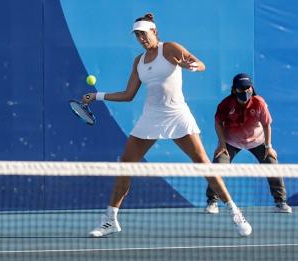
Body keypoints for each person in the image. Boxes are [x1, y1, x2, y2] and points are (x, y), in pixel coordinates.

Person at [82, 13, 252, 238]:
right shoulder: (139, 62)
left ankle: (234, 211)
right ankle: (110, 219)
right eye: (137, 36)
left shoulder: (169, 48)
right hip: (150, 117)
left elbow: (199, 63)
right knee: (125, 165)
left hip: (177, 115)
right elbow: (128, 94)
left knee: (203, 163)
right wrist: (98, 96)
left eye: (144, 34)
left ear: (154, 32)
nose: (141, 39)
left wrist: (191, 66)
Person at [205, 73, 292, 214]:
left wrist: (268, 146)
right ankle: (212, 202)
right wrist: (221, 144)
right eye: (241, 89)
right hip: (231, 141)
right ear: (234, 90)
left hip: (257, 141)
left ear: (251, 88)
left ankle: (280, 202)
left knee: (272, 165)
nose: (245, 91)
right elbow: (218, 123)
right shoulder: (226, 104)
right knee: (218, 166)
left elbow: (266, 125)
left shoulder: (259, 103)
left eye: (248, 88)